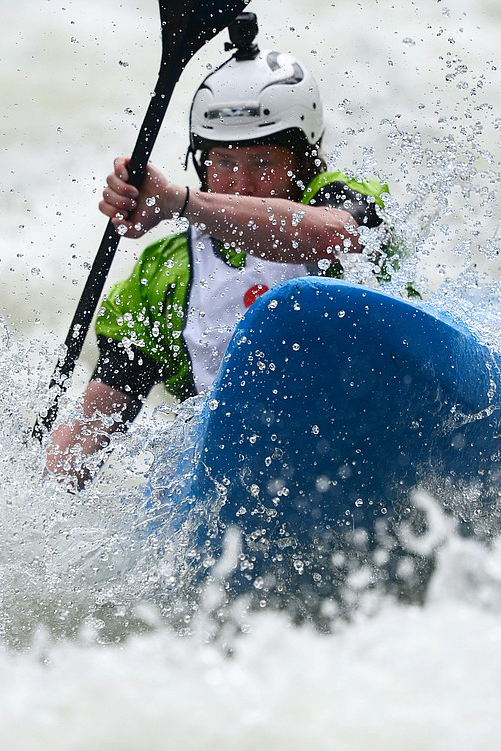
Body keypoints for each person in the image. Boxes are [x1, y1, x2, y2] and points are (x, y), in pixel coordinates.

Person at [46, 20, 393, 488]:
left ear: (305, 159)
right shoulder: (165, 274)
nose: (241, 183)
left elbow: (334, 237)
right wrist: (48, 481)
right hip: (241, 483)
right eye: (223, 162)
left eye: (263, 163)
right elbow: (93, 429)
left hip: (368, 436)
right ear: (201, 161)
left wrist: (181, 202)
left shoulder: (342, 198)